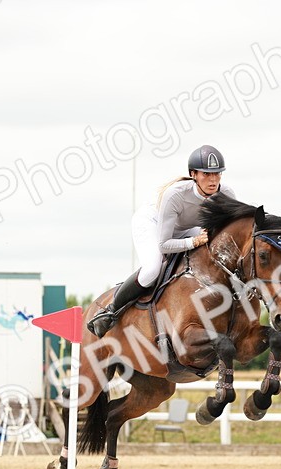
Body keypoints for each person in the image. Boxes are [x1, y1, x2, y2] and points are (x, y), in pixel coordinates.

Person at [86, 144, 237, 336]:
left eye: (217, 173)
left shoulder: (227, 195)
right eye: (206, 174)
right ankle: (110, 311)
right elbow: (164, 245)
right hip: (152, 224)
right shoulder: (175, 194)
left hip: (187, 228)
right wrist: (194, 242)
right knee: (152, 270)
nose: (213, 180)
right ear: (193, 174)